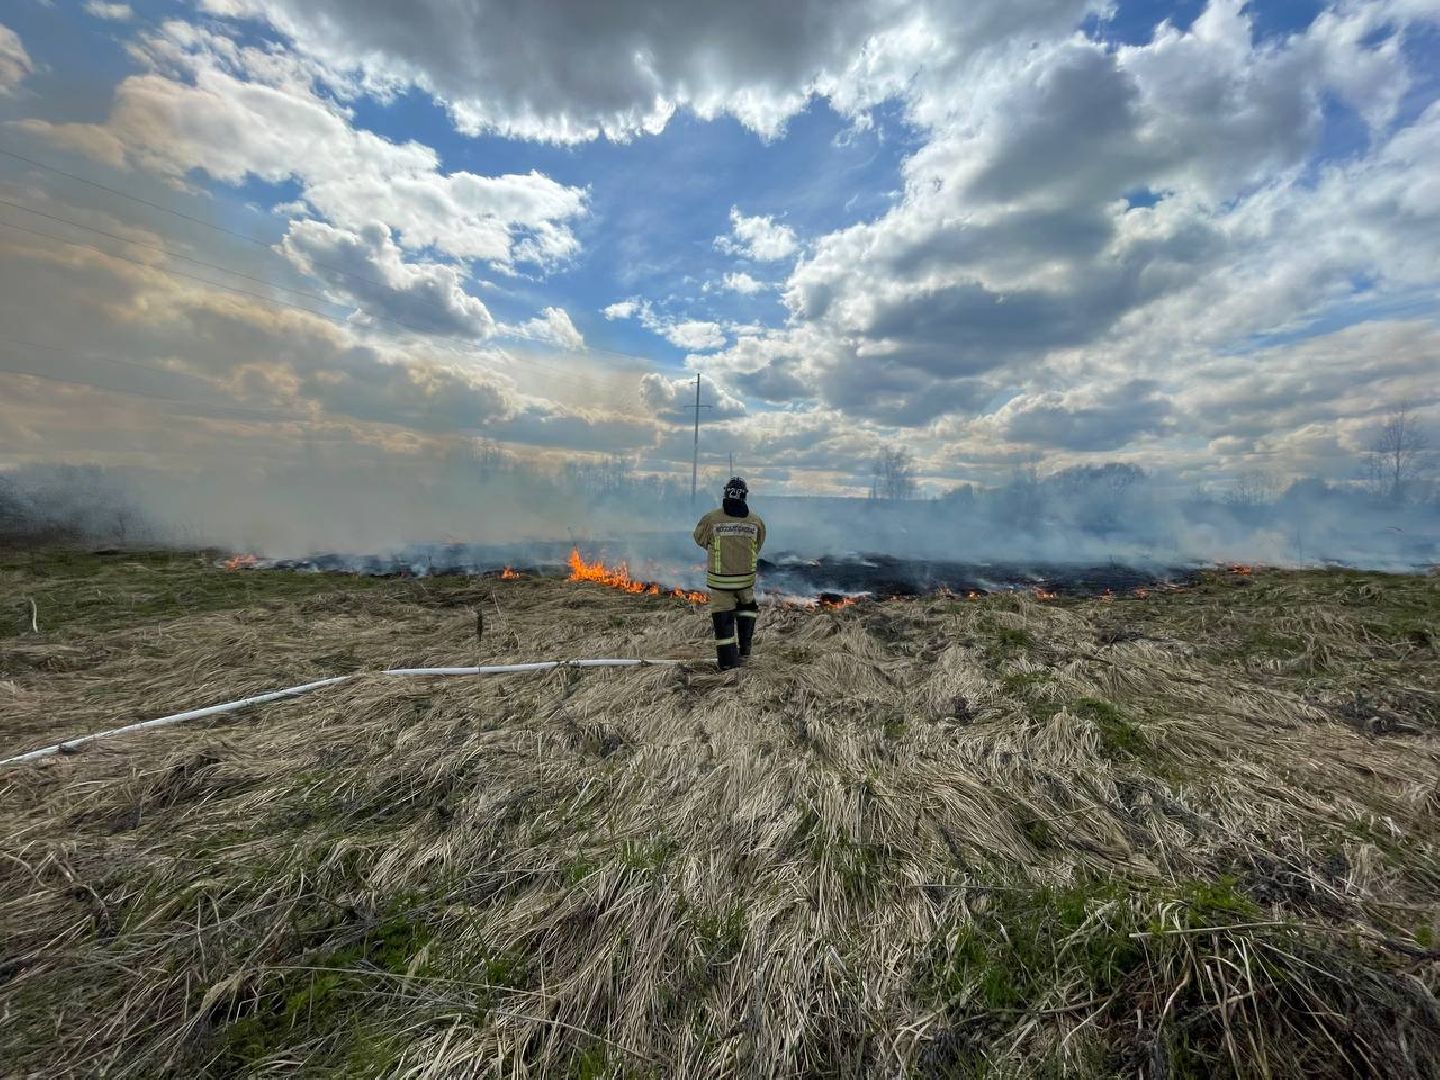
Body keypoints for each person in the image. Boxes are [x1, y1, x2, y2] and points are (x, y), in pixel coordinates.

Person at [693, 477, 766, 670]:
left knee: (723, 621)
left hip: (721, 583)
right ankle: (745, 654)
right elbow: (758, 544)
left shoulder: (712, 519)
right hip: (746, 582)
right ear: (745, 496)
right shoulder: (756, 521)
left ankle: (728, 665)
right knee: (746, 614)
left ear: (725, 494)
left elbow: (699, 539)